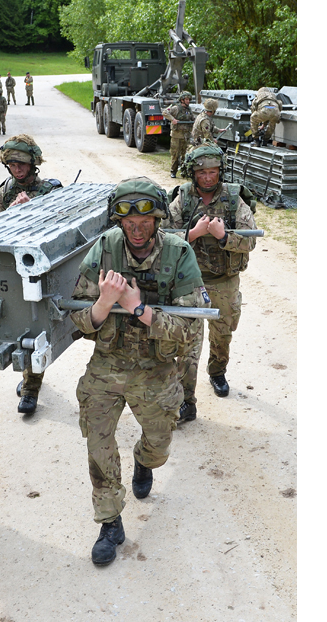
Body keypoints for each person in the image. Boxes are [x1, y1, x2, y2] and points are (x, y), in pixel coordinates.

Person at [69, 176, 209, 566]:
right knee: (97, 443)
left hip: (156, 368)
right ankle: (110, 522)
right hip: (108, 366)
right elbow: (76, 319)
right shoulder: (104, 249)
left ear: (158, 216)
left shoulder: (179, 253)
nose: (135, 224)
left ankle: (144, 460)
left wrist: (136, 307)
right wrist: (102, 304)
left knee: (160, 444)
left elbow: (188, 330)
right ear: (117, 218)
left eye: (145, 216)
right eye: (127, 217)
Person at [162, 143, 257, 419]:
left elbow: (250, 240)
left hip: (224, 280)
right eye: (202, 172)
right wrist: (192, 234)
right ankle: (186, 400)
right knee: (188, 340)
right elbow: (164, 237)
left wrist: (224, 237)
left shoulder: (233, 199)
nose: (207, 177)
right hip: (190, 280)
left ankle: (217, 372)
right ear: (193, 173)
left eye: (213, 171)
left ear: (220, 171)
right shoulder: (183, 198)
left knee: (222, 333)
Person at [0, 135, 63, 413]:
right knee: (22, 328)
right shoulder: (4, 193)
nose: (17, 169)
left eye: (21, 163)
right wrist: (10, 213)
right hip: (14, 269)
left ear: (33, 162)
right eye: (11, 164)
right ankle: (31, 376)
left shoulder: (50, 191)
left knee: (37, 327)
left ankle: (31, 388)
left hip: (42, 269)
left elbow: (60, 230)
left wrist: (33, 210)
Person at [162, 91, 194, 178]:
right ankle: (173, 171)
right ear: (182, 100)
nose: (188, 101)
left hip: (186, 136)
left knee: (185, 155)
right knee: (175, 154)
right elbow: (165, 112)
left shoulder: (189, 110)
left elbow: (193, 120)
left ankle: (184, 171)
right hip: (176, 136)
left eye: (189, 99)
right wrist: (173, 119)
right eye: (186, 99)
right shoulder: (176, 108)